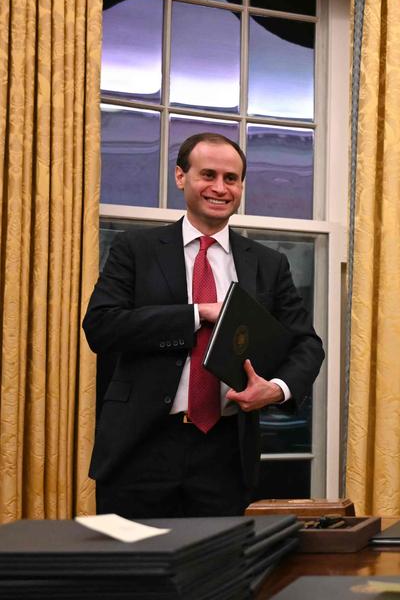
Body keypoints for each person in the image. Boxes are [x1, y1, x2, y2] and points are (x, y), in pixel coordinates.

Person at [83, 133, 324, 518]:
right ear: (181, 177)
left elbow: (306, 344)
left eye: (231, 178)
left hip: (227, 452)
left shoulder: (268, 264)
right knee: (133, 574)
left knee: (220, 572)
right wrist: (198, 313)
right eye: (207, 174)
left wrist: (276, 390)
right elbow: (101, 326)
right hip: (140, 448)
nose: (220, 188)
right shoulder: (136, 250)